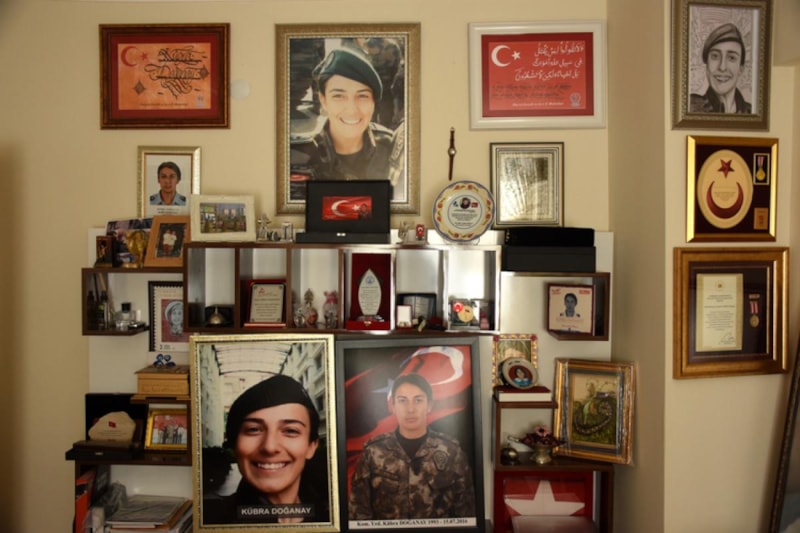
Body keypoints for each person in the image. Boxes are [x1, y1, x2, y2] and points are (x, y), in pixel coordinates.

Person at [203, 375, 328, 524]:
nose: (269, 447)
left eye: (290, 431)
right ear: (235, 444)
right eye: (254, 429)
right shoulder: (209, 519)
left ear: (311, 446)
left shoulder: (333, 516)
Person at [348, 373, 475, 520]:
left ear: (429, 405)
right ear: (393, 406)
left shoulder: (452, 453)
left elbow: (465, 514)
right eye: (402, 401)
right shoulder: (372, 453)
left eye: (418, 400)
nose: (410, 409)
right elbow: (358, 513)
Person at [291, 47, 402, 186]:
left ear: (374, 102)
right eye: (338, 96)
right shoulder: (297, 156)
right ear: (323, 100)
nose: (351, 109)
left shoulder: (392, 148)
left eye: (362, 96)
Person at [689, 22, 752, 114]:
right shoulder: (691, 106)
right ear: (706, 63)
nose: (722, 67)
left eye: (732, 58)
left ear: (741, 68)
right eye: (715, 56)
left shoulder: (751, 112)